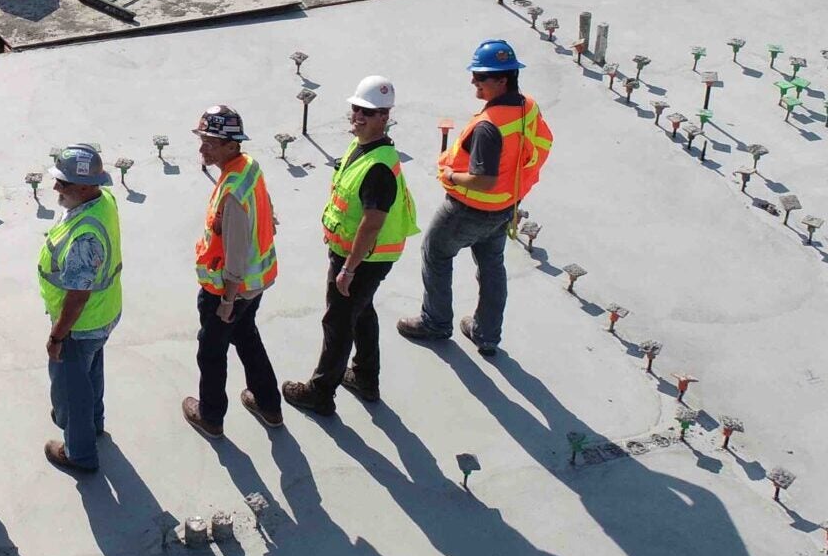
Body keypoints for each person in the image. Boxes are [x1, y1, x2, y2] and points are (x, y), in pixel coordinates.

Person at [399, 40, 554, 357]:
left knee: (436, 253)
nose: (474, 81)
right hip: (505, 206)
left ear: (502, 80)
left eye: (481, 76)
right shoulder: (527, 107)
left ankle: (435, 322)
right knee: (492, 266)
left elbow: (483, 179)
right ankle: (487, 333)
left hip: (469, 210)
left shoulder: (488, 127)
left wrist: (450, 176)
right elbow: (533, 150)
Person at [282, 76, 419, 414]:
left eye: (368, 112)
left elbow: (372, 223)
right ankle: (365, 377)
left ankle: (320, 392)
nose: (358, 116)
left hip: (361, 259)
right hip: (360, 257)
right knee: (361, 312)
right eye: (356, 109)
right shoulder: (363, 148)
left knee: (338, 322)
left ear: (384, 117)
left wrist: (348, 268)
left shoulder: (378, 168)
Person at [182, 106, 282, 439]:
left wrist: (226, 300)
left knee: (210, 352)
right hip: (255, 285)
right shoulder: (248, 167)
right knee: (246, 337)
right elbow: (264, 204)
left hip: (229, 291)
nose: (202, 149)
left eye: (209, 143)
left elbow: (236, 252)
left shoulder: (233, 191)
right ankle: (269, 405)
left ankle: (211, 417)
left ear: (230, 145)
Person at [37, 144, 122, 475]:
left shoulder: (85, 237)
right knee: (90, 374)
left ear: (87, 186)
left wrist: (57, 336)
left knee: (71, 391)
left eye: (64, 183)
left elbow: (77, 294)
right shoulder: (103, 201)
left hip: (80, 324)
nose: (57, 187)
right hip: (103, 315)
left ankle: (79, 453)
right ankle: (94, 424)